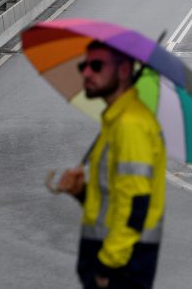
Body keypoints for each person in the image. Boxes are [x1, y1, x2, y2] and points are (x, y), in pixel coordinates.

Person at [53, 41, 166, 289]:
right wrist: (81, 192)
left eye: (96, 66)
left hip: (121, 269)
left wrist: (107, 267)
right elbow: (113, 202)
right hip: (115, 262)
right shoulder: (115, 122)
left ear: (124, 71)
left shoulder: (130, 126)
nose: (86, 73)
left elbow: (136, 205)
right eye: (84, 65)